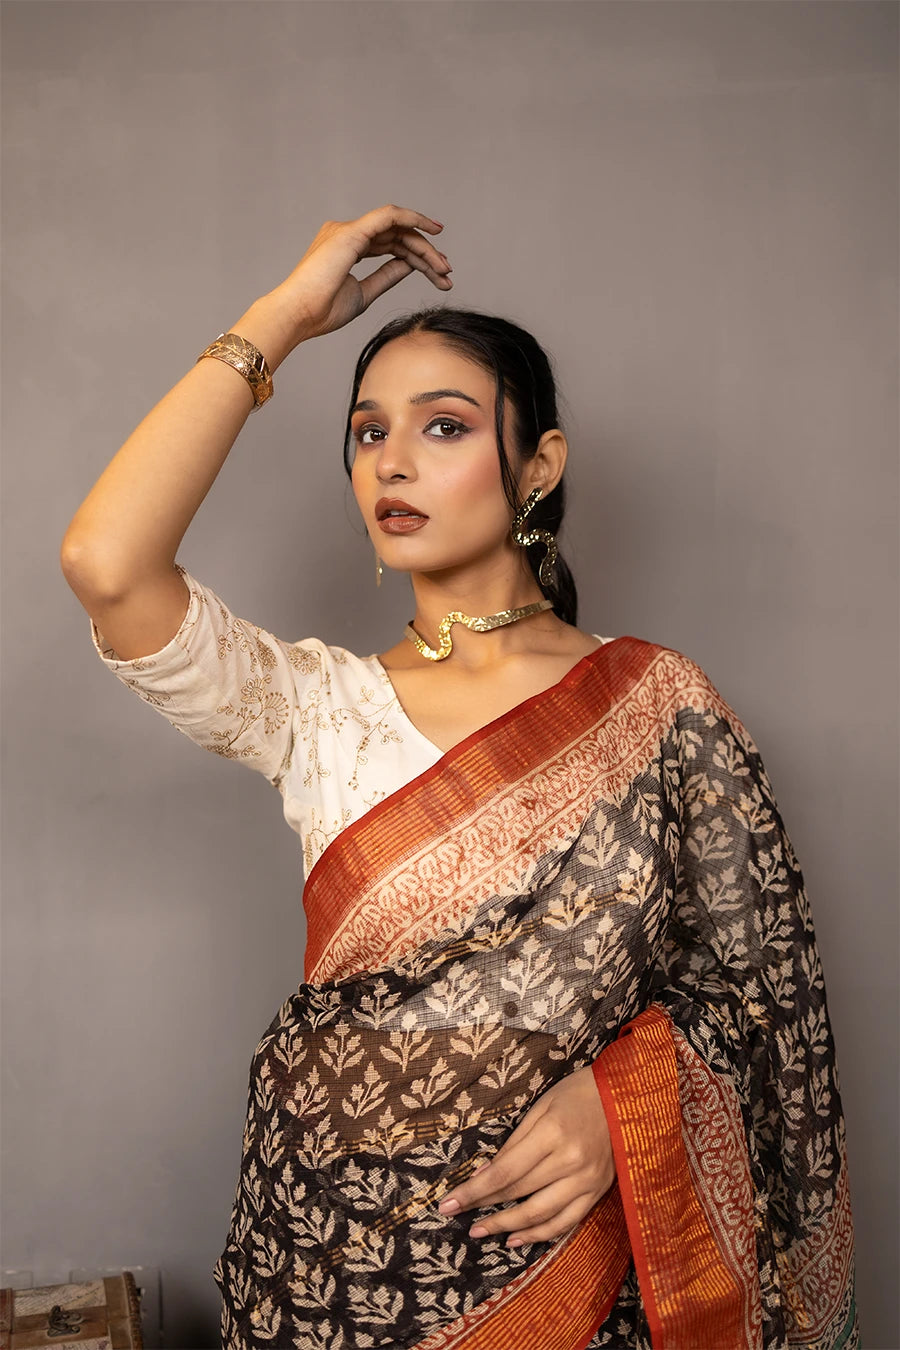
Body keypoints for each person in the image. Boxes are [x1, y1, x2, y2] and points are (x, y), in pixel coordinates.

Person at [61, 204, 859, 1350]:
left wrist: (625, 1104)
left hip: (581, 1273)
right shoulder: (311, 705)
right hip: (324, 1259)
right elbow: (106, 560)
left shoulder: (661, 706)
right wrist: (280, 319)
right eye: (367, 430)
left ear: (538, 464)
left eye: (442, 427)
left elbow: (757, 997)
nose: (390, 458)